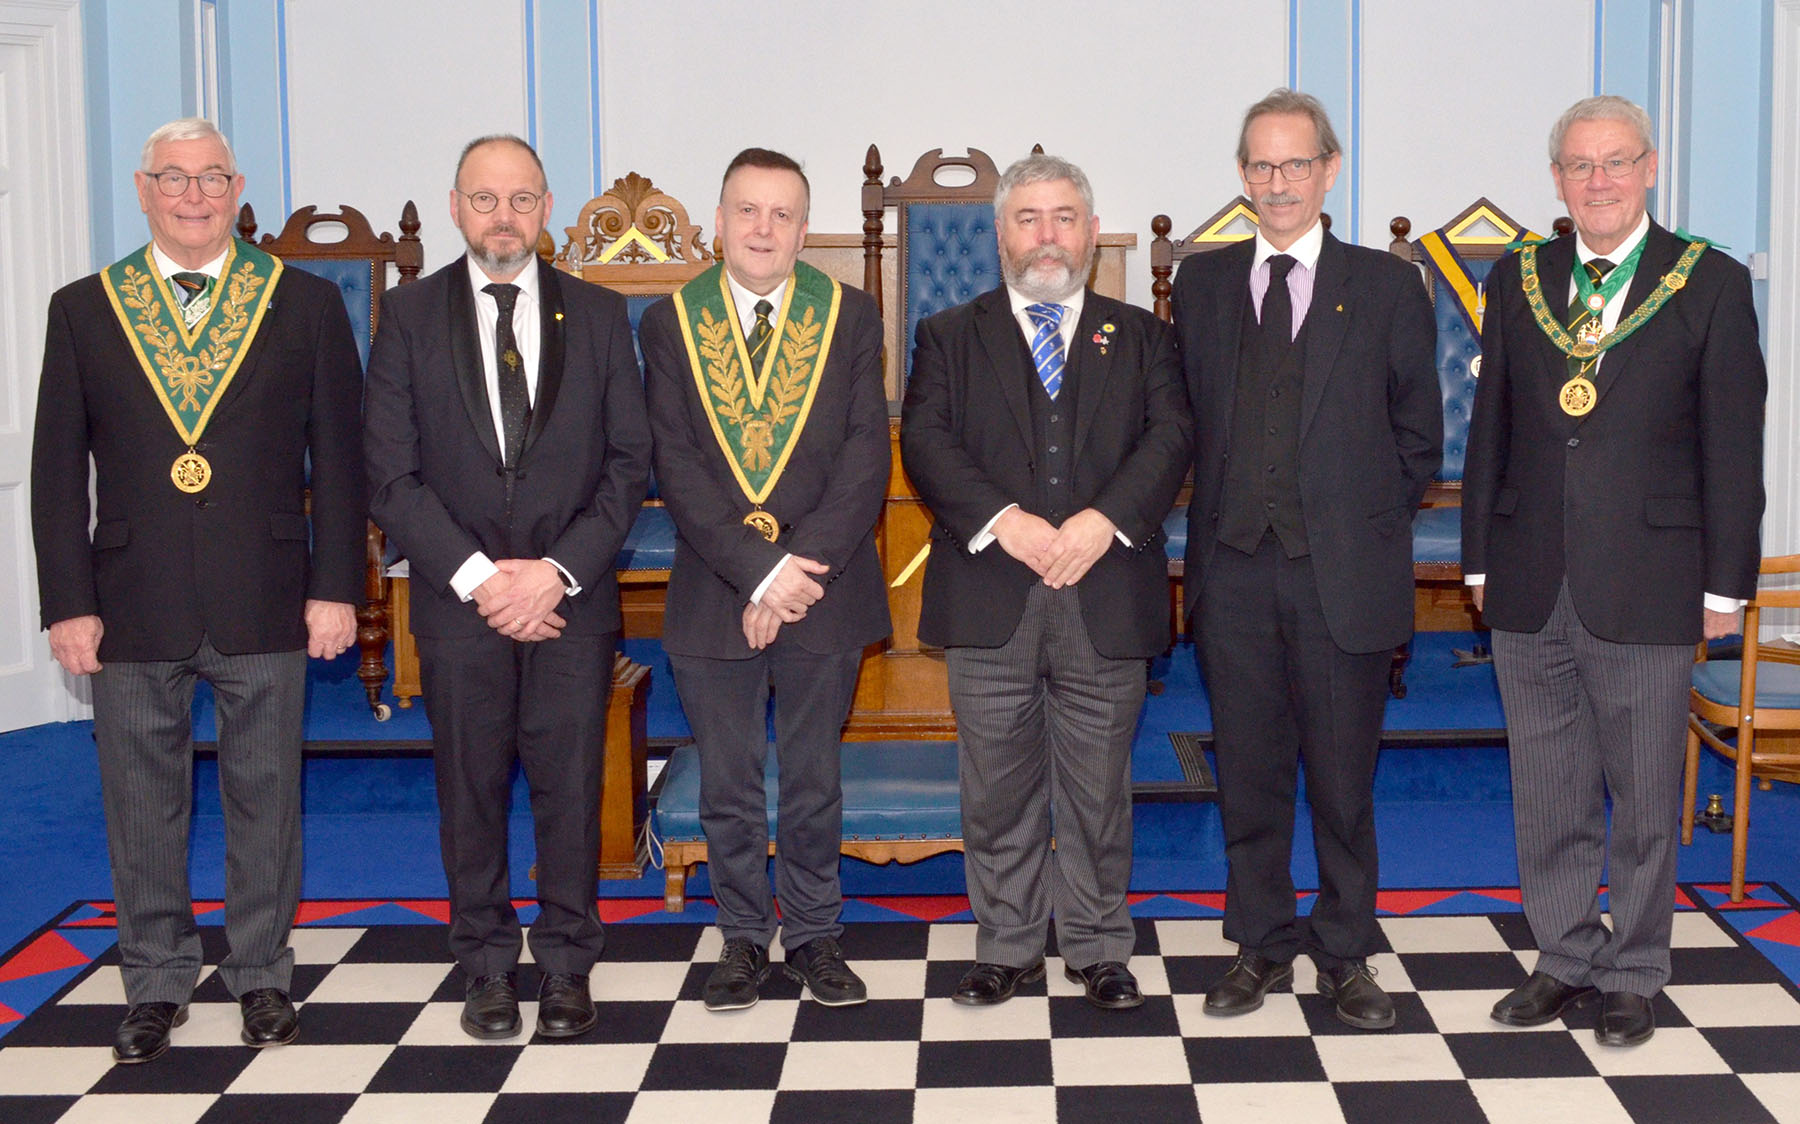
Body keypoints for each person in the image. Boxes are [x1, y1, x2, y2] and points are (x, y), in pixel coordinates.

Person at [30, 117, 365, 1063]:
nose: (191, 195)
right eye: (172, 179)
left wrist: (336, 585)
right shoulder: (85, 309)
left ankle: (261, 974)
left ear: (237, 186)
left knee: (268, 797)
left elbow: (339, 459)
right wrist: (67, 602)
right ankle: (155, 980)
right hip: (128, 596)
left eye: (210, 177)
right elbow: (59, 471)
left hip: (267, 588)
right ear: (142, 190)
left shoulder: (298, 304)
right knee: (141, 800)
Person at [1465, 95, 1766, 1047]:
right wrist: (1476, 555)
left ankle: (1635, 967)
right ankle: (1562, 956)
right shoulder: (1520, 278)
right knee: (1546, 783)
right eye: (1578, 166)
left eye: (1614, 163)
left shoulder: (1708, 280)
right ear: (1556, 179)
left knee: (1642, 794)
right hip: (1525, 572)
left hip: (1654, 576)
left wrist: (1728, 585)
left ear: (1647, 169)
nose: (1597, 181)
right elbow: (1492, 432)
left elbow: (1733, 443)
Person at [364, 134, 650, 1040]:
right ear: (454, 207)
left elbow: (628, 463)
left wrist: (555, 573)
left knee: (572, 788)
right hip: (460, 605)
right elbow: (391, 476)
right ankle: (485, 963)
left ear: (546, 208)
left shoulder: (600, 317)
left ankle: (568, 963)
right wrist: (487, 580)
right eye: (485, 199)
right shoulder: (407, 317)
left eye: (521, 199)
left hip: (573, 599)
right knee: (470, 788)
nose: (503, 216)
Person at [1173, 88, 1441, 1030]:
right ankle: (1260, 943)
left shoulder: (1384, 285)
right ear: (1241, 176)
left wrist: (1352, 522)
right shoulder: (1200, 286)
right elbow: (1183, 425)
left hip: (1343, 577)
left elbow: (1420, 441)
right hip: (1233, 569)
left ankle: (1345, 952)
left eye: (1295, 164)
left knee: (1340, 777)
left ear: (1330, 169)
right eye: (1260, 165)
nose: (1277, 182)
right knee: (1247, 769)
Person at [901, 153, 1192, 1010]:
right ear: (1000, 235)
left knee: (1099, 788)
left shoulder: (1143, 336)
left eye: (1064, 217)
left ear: (1093, 234)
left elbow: (1172, 436)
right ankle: (1008, 945)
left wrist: (1103, 521)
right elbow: (927, 443)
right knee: (995, 789)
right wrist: (1008, 523)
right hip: (992, 591)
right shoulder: (949, 334)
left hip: (1107, 591)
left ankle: (1100, 946)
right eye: (1027, 219)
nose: (1047, 235)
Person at [639, 148, 890, 1011]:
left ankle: (817, 935)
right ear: (718, 222)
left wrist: (793, 575)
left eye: (783, 215)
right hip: (716, 587)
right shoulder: (671, 323)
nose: (763, 229)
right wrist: (759, 575)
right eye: (748, 211)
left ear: (803, 229)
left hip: (826, 585)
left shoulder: (850, 317)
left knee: (816, 778)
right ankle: (744, 937)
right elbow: (675, 463)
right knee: (730, 782)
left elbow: (864, 459)